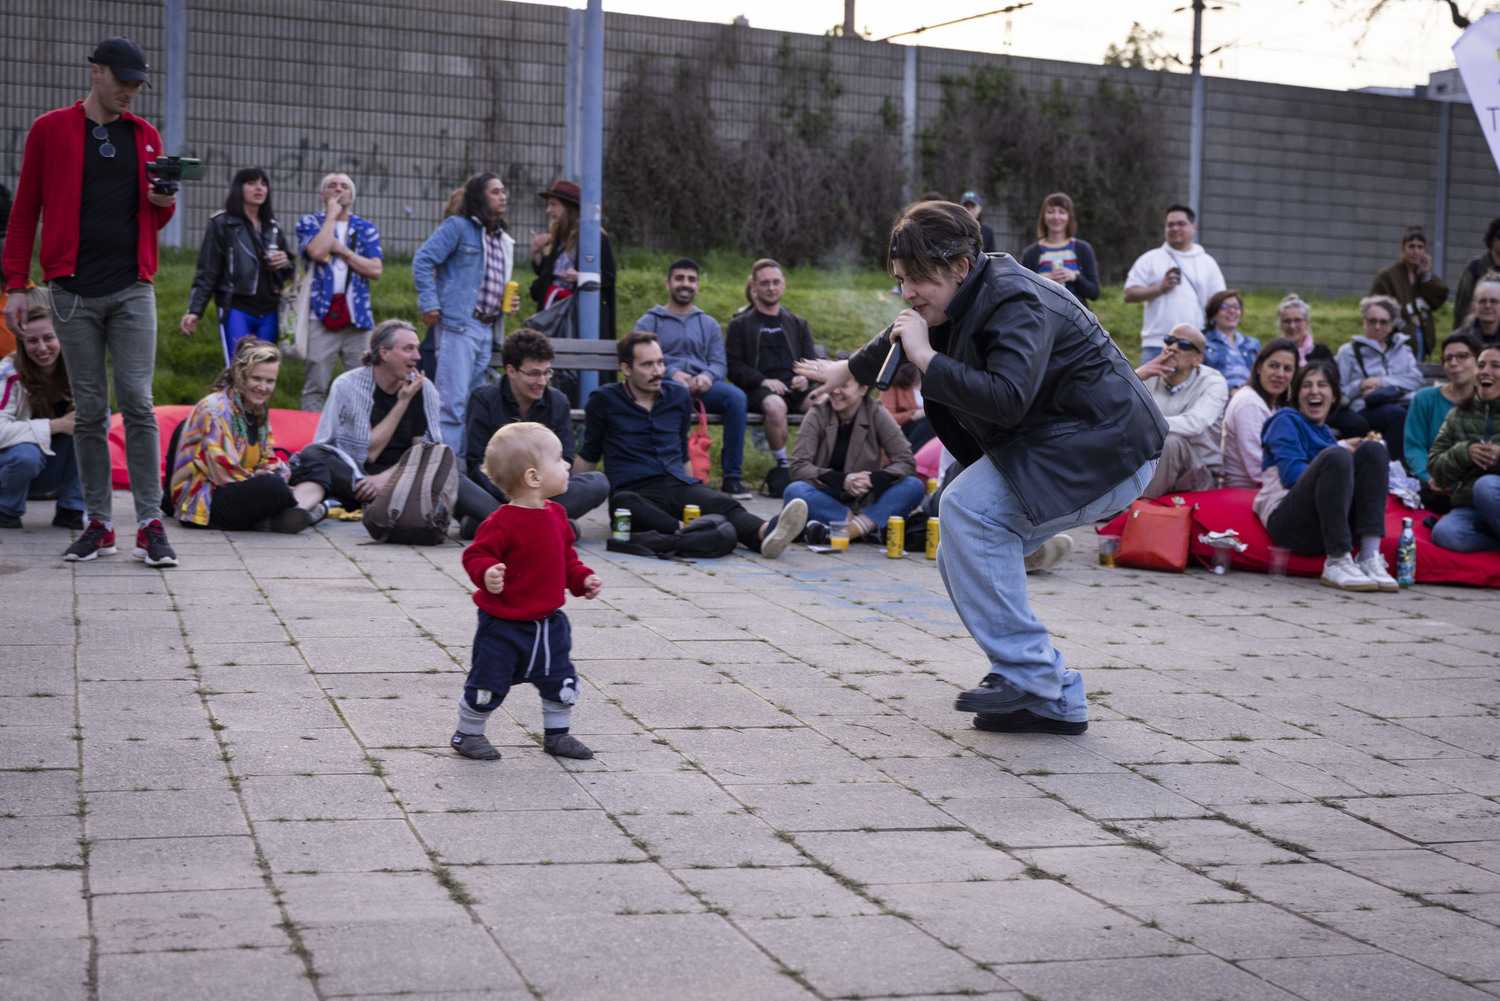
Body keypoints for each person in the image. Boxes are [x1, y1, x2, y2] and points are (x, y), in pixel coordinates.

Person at [795, 201, 1165, 736]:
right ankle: (1054, 698)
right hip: (1065, 444)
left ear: (961, 268)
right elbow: (901, 331)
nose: (907, 293)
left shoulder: (1017, 300)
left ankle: (1029, 674)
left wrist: (926, 360)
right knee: (959, 545)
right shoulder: (955, 296)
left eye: (917, 280)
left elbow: (1008, 396)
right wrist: (844, 369)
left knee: (967, 510)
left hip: (1109, 449)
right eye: (900, 280)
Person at [3, 37, 180, 566]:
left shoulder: (146, 136)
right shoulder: (50, 129)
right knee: (89, 411)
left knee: (139, 402)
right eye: (122, 80)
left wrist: (163, 203)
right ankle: (99, 522)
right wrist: (16, 282)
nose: (130, 91)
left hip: (133, 286)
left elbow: (155, 217)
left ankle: (149, 523)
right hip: (70, 291)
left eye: (136, 83)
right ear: (95, 72)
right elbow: (25, 209)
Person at [576, 331, 808, 558]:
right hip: (634, 490)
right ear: (626, 369)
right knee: (624, 504)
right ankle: (691, 531)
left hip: (677, 483)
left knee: (721, 504)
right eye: (647, 365)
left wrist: (697, 489)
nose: (658, 371)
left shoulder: (677, 395)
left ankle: (765, 532)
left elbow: (682, 452)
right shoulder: (604, 400)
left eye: (660, 362)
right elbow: (589, 455)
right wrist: (566, 501)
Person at [449, 422, 602, 762]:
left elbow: (567, 560)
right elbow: (476, 554)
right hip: (503, 626)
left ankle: (557, 735)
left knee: (561, 680)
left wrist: (582, 580)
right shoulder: (500, 522)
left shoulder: (558, 516)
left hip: (549, 624)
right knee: (488, 684)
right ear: (534, 477)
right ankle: (468, 733)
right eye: (560, 459)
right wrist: (487, 573)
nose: (567, 466)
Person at [286, 320, 495, 523]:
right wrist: (402, 402)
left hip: (404, 474)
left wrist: (386, 478)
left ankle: (498, 519)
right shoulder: (349, 385)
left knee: (449, 464)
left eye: (417, 349)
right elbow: (369, 452)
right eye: (408, 349)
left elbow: (424, 452)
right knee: (313, 453)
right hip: (356, 473)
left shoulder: (423, 389)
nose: (417, 357)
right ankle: (384, 500)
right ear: (384, 353)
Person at [1254, 360, 1396, 592]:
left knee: (1374, 449)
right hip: (1290, 524)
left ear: (1333, 395)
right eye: (1307, 385)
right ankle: (1337, 561)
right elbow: (1292, 476)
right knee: (1337, 456)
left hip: (1332, 525)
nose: (1315, 391)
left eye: (1322, 385)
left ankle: (1369, 557)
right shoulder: (1286, 420)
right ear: (1297, 395)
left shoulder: (1326, 435)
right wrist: (1335, 464)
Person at [463, 329, 608, 535]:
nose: (542, 381)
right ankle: (553, 527)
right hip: (497, 491)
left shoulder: (558, 402)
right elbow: (477, 462)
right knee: (455, 479)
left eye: (547, 372)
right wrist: (515, 493)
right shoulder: (484, 399)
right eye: (534, 374)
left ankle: (490, 524)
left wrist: (532, 493)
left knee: (598, 482)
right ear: (511, 370)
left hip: (543, 493)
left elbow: (565, 460)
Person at [412, 172, 517, 453]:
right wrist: (430, 303)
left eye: (503, 190)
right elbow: (423, 259)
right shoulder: (457, 227)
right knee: (452, 405)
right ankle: (446, 475)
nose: (503, 196)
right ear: (479, 196)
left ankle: (468, 473)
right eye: (495, 191)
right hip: (460, 324)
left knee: (474, 404)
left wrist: (506, 303)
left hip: (487, 328)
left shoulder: (501, 239)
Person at [169, 340, 321, 533]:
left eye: (270, 381)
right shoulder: (216, 410)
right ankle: (298, 508)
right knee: (273, 487)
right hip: (205, 499)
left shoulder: (257, 410)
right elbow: (223, 471)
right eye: (256, 379)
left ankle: (279, 516)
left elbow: (265, 458)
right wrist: (269, 481)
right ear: (241, 376)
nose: (263, 387)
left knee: (315, 467)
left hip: (242, 485)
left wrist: (276, 473)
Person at [632, 258, 751, 498]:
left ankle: (732, 478)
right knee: (677, 394)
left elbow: (719, 362)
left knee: (736, 397)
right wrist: (670, 372)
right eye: (679, 278)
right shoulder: (650, 321)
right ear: (668, 283)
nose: (685, 284)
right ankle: (674, 473)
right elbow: (638, 357)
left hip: (703, 386)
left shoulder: (708, 324)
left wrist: (708, 376)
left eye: (691, 279)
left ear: (697, 286)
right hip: (663, 385)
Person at [784, 377, 924, 544]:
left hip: (866, 498)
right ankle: (867, 527)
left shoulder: (876, 412)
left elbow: (906, 461)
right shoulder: (818, 413)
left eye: (843, 386)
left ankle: (848, 531)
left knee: (914, 486)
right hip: (826, 495)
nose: (835, 391)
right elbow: (798, 466)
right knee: (795, 491)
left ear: (863, 389)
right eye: (834, 384)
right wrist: (842, 481)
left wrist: (872, 479)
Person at [181, 167, 294, 363]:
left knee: (264, 369)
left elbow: (289, 275)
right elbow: (208, 271)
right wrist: (195, 310)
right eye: (251, 183)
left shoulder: (273, 227)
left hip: (270, 309)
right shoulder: (222, 224)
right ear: (238, 189)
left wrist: (286, 262)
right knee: (239, 368)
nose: (259, 188)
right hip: (236, 307)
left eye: (263, 184)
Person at [725, 258, 817, 496]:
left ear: (783, 284)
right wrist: (762, 381)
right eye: (765, 283)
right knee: (775, 407)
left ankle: (815, 463)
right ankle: (783, 464)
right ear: (754, 287)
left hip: (796, 388)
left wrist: (805, 378)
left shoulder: (798, 323)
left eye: (776, 282)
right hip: (760, 390)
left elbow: (812, 363)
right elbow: (733, 367)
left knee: (822, 401)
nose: (771, 287)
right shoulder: (740, 325)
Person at [295, 172, 383, 411]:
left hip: (358, 319)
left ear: (352, 197)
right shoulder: (309, 223)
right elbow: (316, 251)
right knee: (316, 383)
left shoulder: (366, 228)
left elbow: (375, 269)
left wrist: (341, 250)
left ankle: (356, 440)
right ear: (322, 195)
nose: (338, 190)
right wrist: (331, 216)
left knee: (363, 384)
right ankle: (310, 441)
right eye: (331, 186)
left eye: (344, 186)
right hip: (320, 315)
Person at [0, 303, 83, 530]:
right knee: (25, 454)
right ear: (21, 343)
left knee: (97, 416)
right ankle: (6, 509)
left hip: (50, 467)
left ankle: (72, 508)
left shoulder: (77, 368)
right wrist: (55, 425)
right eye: (32, 341)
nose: (42, 348)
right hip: (12, 467)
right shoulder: (8, 374)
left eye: (48, 338)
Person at [1134, 324, 1228, 498]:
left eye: (1183, 344)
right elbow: (1112, 412)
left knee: (1170, 441)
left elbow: (1195, 424)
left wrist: (1145, 424)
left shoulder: (1214, 382)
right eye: (1169, 341)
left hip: (1199, 474)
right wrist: (1136, 377)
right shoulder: (1150, 376)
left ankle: (1138, 515)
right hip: (1150, 466)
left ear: (1197, 359)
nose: (1172, 347)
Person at [1123, 204, 1226, 363]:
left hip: (1195, 343)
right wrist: (1160, 288)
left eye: (1181, 224)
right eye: (1170, 224)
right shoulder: (1150, 259)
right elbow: (1128, 294)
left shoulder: (1207, 262)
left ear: (1193, 227)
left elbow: (1219, 302)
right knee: (1148, 388)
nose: (1175, 228)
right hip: (1158, 344)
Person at [1335, 294, 1425, 467]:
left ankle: (1422, 466)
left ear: (1391, 325)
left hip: (1401, 403)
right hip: (1365, 408)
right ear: (1364, 323)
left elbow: (1416, 380)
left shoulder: (1403, 350)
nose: (1377, 327)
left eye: (1383, 322)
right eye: (1372, 321)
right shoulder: (1349, 351)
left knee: (1420, 409)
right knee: (1397, 416)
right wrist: (1360, 385)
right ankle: (1394, 469)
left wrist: (1382, 382)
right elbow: (1338, 390)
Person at [1428, 345, 1500, 553]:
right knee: (1445, 534)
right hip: (1471, 508)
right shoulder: (1458, 414)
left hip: (1493, 494)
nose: (1485, 371)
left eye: (1495, 366)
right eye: (1481, 365)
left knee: (1485, 486)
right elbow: (1435, 469)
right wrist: (1464, 453)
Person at [528, 179, 616, 339]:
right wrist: (535, 253)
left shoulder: (594, 238)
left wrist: (580, 277)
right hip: (554, 315)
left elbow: (609, 278)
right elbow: (547, 277)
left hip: (580, 317)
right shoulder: (558, 237)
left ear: (569, 207)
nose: (548, 210)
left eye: (554, 204)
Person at [1405, 332, 1482, 514]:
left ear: (1478, 361)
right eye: (1448, 358)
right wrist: (1431, 478)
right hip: (1434, 483)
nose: (1454, 363)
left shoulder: (1489, 402)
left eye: (1462, 356)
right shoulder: (1424, 398)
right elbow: (1414, 448)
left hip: (1477, 487)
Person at [1220, 337, 1298, 490]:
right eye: (1273, 366)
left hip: (1270, 488)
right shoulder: (1249, 403)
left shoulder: (1274, 404)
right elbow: (1258, 469)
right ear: (1258, 367)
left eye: (1287, 369)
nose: (1280, 374)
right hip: (1246, 494)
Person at [1370, 225, 1447, 361]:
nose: (1416, 251)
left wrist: (1425, 275)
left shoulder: (1423, 277)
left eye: (1420, 247)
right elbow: (1376, 305)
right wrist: (1400, 326)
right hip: (1395, 341)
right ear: (1403, 248)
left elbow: (1438, 299)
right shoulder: (1388, 276)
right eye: (1411, 246)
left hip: (1421, 337)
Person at [1018, 192, 1100, 303]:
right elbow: (1022, 293)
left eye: (1062, 212)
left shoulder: (1083, 249)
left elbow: (1094, 293)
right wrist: (1043, 282)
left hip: (1075, 318)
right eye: (1050, 212)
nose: (1056, 217)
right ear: (1043, 217)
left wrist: (1075, 277)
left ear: (1069, 217)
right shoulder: (1031, 253)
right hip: (1042, 317)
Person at [1200, 289, 1259, 392]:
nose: (1232, 311)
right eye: (1225, 307)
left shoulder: (1252, 343)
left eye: (1236, 307)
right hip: (1216, 396)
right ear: (1212, 315)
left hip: (1249, 395)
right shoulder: (1202, 342)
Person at [1451, 218, 1500, 331]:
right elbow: (1462, 306)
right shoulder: (1475, 267)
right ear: (1491, 239)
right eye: (1499, 236)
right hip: (1477, 331)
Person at [880, 361, 935, 452]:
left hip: (932, 431)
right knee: (928, 423)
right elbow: (886, 419)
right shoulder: (893, 383)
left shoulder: (934, 378)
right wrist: (915, 415)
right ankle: (911, 458)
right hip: (904, 433)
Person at [1275, 293, 1334, 367]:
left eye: (1297, 320)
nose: (1292, 326)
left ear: (1307, 323)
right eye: (1287, 321)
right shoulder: (1274, 353)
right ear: (1281, 325)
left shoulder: (1321, 353)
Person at [1453, 275, 1500, 350]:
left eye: (1494, 301)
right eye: (1482, 301)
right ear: (1473, 307)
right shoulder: (1459, 339)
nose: (1487, 306)